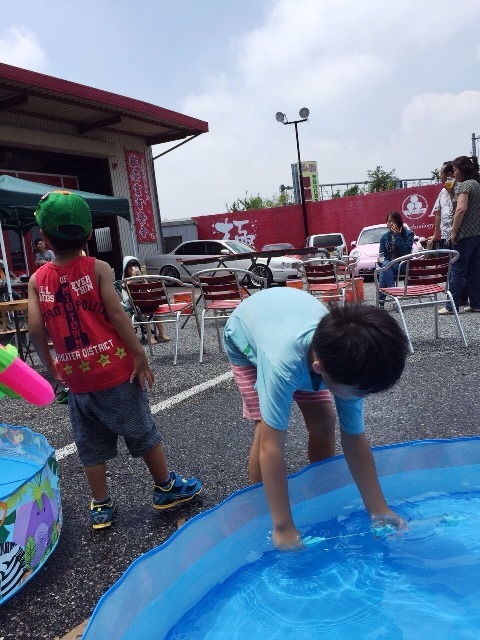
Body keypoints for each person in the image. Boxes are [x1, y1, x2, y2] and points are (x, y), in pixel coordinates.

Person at [28, 191, 202, 530]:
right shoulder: (98, 268)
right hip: (115, 371)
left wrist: (51, 366)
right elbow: (118, 315)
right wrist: (139, 353)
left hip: (78, 380)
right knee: (141, 429)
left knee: (90, 444)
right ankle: (165, 487)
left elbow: (35, 329)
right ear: (89, 234)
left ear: (45, 238)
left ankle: (101, 505)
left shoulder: (37, 280)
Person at [223, 289, 409, 550]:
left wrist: (379, 509)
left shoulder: (349, 358)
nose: (362, 397)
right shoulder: (282, 366)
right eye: (361, 392)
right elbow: (271, 447)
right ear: (322, 370)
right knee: (265, 430)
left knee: (324, 421)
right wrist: (284, 527)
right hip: (247, 339)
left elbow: (354, 439)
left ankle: (319, 487)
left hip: (293, 328)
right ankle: (262, 507)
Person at [438, 155, 480, 315]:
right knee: (475, 270)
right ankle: (476, 303)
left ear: (462, 170)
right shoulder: (476, 184)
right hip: (477, 233)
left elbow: (460, 209)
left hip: (465, 234)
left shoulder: (465, 186)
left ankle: (451, 306)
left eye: (455, 170)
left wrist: (454, 232)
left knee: (457, 269)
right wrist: (451, 193)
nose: (453, 174)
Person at [122, 256, 171, 344]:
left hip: (147, 302)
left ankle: (161, 333)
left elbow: (148, 289)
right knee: (144, 313)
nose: (133, 269)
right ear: (126, 269)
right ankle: (150, 335)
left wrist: (142, 278)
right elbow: (126, 290)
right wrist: (133, 277)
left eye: (135, 266)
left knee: (155, 309)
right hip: (134, 305)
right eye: (130, 267)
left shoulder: (141, 278)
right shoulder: (125, 281)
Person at [377, 211, 414, 307]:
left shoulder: (408, 234)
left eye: (393, 221)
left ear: (398, 222)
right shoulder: (384, 237)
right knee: (385, 266)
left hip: (402, 264)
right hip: (389, 265)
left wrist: (397, 235)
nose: (391, 224)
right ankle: (393, 295)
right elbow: (382, 254)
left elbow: (406, 253)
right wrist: (380, 260)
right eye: (389, 221)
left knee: (384, 269)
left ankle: (382, 302)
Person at [427, 161, 456, 249]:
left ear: (449, 175)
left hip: (457, 236)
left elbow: (459, 210)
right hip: (444, 236)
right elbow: (438, 214)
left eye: (441, 174)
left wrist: (451, 192)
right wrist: (435, 235)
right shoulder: (442, 192)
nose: (440, 176)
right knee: (443, 257)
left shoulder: (461, 189)